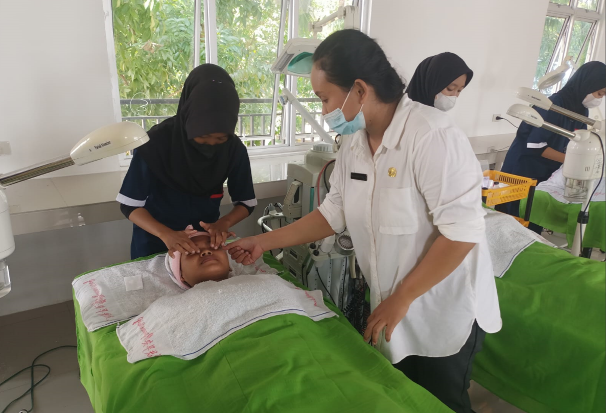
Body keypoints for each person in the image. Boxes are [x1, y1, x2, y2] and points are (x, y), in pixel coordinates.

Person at [225, 30, 501, 413]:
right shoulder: (355, 145)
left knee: (443, 402)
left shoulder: (431, 136)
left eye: (324, 99)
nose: (323, 111)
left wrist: (402, 298)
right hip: (393, 305)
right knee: (404, 399)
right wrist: (264, 243)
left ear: (358, 89)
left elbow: (462, 233)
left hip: (442, 303)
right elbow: (331, 214)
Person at [117, 64, 257, 260]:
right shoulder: (155, 144)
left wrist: (223, 223)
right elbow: (129, 205)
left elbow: (246, 202)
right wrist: (166, 234)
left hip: (203, 245)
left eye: (220, 139)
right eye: (204, 136)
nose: (211, 145)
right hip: (155, 243)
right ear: (190, 119)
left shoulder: (233, 149)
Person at [499, 61, 606, 228]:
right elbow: (536, 146)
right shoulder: (554, 104)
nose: (599, 99)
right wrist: (573, 161)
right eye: (600, 93)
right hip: (524, 170)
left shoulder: (581, 109)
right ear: (587, 84)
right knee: (515, 224)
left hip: (546, 173)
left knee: (535, 221)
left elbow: (578, 141)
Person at [406, 52, 474, 112]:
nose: (454, 96)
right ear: (430, 83)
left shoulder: (438, 118)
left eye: (459, 90)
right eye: (450, 89)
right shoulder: (405, 115)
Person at [166, 229, 232, 290]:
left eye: (215, 246)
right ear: (181, 275)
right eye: (192, 252)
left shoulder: (242, 281)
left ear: (229, 266)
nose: (206, 251)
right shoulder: (176, 301)